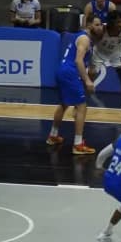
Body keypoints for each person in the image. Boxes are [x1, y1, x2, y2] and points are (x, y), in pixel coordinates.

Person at [48, 17, 104, 155]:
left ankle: (53, 136)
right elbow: (78, 61)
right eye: (97, 24)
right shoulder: (84, 39)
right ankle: (78, 144)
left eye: (101, 25)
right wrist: (87, 81)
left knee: (63, 104)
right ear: (89, 25)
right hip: (70, 72)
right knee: (82, 106)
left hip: (62, 70)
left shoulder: (85, 39)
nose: (100, 27)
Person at [92, 9, 121, 119]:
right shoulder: (102, 30)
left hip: (116, 54)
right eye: (118, 22)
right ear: (111, 22)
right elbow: (92, 43)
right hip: (100, 53)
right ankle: (78, 105)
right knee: (89, 78)